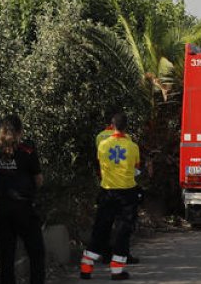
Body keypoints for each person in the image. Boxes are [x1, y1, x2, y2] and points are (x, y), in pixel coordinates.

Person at [80, 112, 140, 280]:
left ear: (112, 126)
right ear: (126, 127)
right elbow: (136, 168)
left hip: (107, 192)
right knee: (122, 232)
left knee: (100, 229)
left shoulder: (103, 145)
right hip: (127, 194)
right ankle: (116, 271)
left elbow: (101, 166)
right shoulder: (132, 146)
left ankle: (86, 267)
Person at [0, 114, 45, 284]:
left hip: (2, 207)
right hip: (22, 208)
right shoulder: (27, 150)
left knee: (7, 254)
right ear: (20, 131)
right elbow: (38, 179)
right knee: (36, 251)